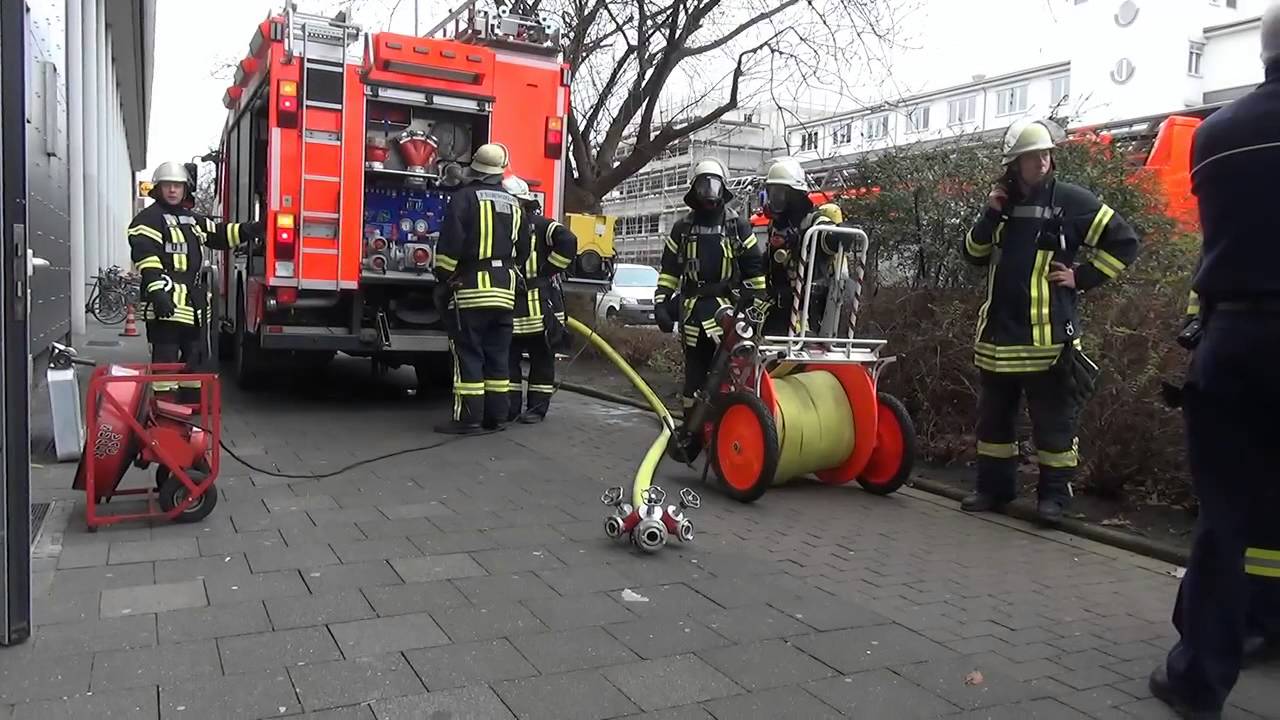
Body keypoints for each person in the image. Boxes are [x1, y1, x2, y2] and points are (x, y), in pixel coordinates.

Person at [1150, 7, 1280, 715]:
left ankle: (1200, 678)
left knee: (1225, 513)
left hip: (1233, 338)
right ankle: (1265, 621)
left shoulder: (1217, 136)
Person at [959, 117, 1139, 525]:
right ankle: (993, 489)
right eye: (1031, 157)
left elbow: (1124, 241)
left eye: (1045, 155)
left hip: (1048, 341)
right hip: (997, 341)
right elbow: (972, 254)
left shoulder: (1072, 201)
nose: (1041, 163)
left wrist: (1083, 277)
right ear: (1014, 164)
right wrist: (990, 214)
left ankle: (1054, 499)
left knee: (1053, 426)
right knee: (994, 424)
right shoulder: (1001, 208)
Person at [128, 161, 262, 401]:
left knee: (194, 358)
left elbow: (220, 234)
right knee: (166, 360)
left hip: (193, 307)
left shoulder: (192, 219)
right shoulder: (147, 219)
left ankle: (190, 409)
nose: (172, 190)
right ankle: (164, 411)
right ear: (157, 189)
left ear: (185, 189)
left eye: (177, 186)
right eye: (167, 185)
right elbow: (146, 257)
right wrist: (158, 293)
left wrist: (250, 229)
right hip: (165, 305)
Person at [655, 157, 766, 415]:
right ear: (694, 190)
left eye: (713, 186)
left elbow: (755, 274)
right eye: (703, 187)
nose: (708, 193)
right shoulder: (682, 229)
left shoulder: (737, 227)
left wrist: (754, 311)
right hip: (692, 311)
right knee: (694, 373)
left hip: (726, 312)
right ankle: (691, 429)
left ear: (723, 189)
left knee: (728, 374)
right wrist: (661, 304)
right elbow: (669, 271)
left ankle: (723, 427)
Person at [433, 143, 531, 434]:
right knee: (498, 357)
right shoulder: (515, 203)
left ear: (475, 168)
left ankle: (469, 419)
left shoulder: (464, 198)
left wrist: (444, 276)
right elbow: (524, 249)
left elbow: (450, 244)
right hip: (505, 292)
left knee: (469, 355)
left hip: (471, 289)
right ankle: (496, 417)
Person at [501, 175, 577, 423]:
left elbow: (568, 240)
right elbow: (568, 241)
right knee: (540, 361)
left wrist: (549, 269)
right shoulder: (540, 225)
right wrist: (550, 269)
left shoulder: (514, 226)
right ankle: (534, 410)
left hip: (518, 309)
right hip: (537, 310)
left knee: (511, 361)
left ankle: (512, 409)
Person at [758, 157, 846, 336]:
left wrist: (837, 236)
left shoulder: (815, 223)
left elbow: (831, 240)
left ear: (795, 195)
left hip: (807, 314)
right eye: (771, 193)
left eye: (779, 194)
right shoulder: (775, 226)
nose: (773, 200)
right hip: (777, 310)